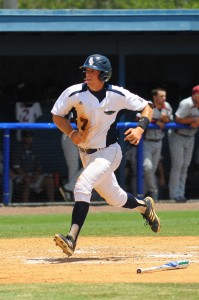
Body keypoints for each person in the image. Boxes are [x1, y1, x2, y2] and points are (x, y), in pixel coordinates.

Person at [51, 54, 160, 257]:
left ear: (104, 74)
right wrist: (71, 132)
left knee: (82, 185)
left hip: (109, 152)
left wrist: (139, 129)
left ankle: (71, 238)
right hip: (86, 154)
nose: (87, 74)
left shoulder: (117, 94)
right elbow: (57, 115)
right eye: (86, 70)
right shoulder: (74, 93)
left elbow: (147, 107)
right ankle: (145, 207)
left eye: (92, 71)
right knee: (114, 198)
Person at [168, 85, 199, 202]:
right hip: (178, 136)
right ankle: (174, 195)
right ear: (195, 95)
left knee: (185, 166)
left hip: (191, 136)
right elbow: (177, 119)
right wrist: (193, 120)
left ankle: (180, 194)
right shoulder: (186, 103)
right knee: (178, 165)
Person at [142, 87, 173, 200]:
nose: (164, 98)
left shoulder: (167, 106)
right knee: (147, 167)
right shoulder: (148, 105)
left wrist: (166, 120)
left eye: (164, 96)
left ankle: (152, 198)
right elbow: (138, 119)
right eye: (161, 96)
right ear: (155, 97)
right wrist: (155, 122)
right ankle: (153, 189)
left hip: (159, 142)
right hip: (146, 142)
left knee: (152, 171)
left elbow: (172, 119)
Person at [11, 130, 55, 202]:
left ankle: (52, 204)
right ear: (23, 138)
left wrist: (36, 174)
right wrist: (26, 176)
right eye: (27, 137)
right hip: (21, 176)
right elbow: (16, 168)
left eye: (30, 136)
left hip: (33, 176)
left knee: (49, 179)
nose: (29, 138)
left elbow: (38, 166)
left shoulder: (33, 150)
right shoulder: (18, 150)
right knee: (27, 181)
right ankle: (25, 206)